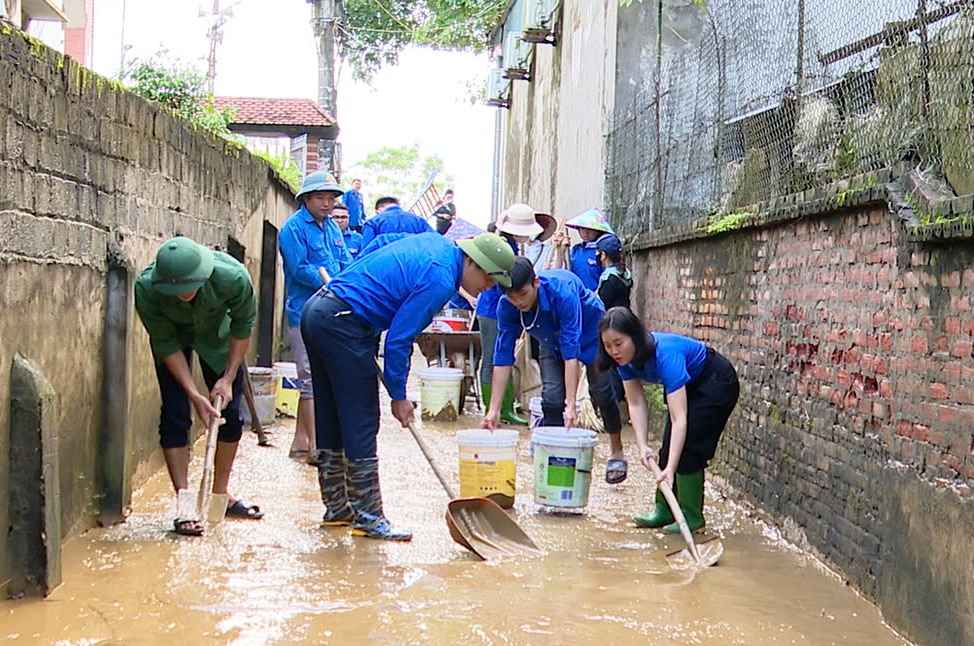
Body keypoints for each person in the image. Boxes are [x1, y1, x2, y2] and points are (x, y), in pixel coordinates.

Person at [301, 232, 516, 541]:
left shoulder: (437, 247)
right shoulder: (442, 278)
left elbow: (378, 246)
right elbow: (400, 339)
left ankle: (338, 509)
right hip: (343, 320)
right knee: (361, 419)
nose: (488, 287)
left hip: (320, 311)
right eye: (488, 277)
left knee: (333, 414)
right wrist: (399, 396)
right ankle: (369, 517)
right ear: (471, 261)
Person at [134, 236, 262, 536]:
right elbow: (165, 342)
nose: (182, 295)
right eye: (174, 291)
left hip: (216, 339)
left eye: (188, 289)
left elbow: (243, 326)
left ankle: (220, 496)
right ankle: (185, 503)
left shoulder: (233, 277)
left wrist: (228, 377)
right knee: (176, 415)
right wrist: (194, 394)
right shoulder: (146, 288)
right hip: (173, 343)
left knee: (229, 415)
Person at [482, 257, 627, 483]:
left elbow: (572, 355)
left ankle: (617, 450)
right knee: (550, 397)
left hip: (590, 333)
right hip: (550, 339)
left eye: (523, 294)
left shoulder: (563, 294)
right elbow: (502, 358)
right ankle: (554, 455)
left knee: (601, 391)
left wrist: (572, 406)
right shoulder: (507, 306)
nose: (518, 301)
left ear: (536, 283)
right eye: (511, 296)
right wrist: (494, 409)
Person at [597, 307, 740, 533]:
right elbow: (635, 402)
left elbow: (679, 419)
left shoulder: (666, 355)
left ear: (634, 336)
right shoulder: (624, 361)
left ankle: (692, 518)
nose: (614, 351)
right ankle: (664, 510)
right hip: (689, 384)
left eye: (618, 343)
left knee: (688, 448)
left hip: (715, 382)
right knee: (667, 449)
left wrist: (671, 468)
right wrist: (643, 445)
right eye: (608, 345)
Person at [278, 171, 351, 462]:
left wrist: (347, 281)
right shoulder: (292, 229)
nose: (327, 203)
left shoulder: (332, 228)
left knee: (319, 376)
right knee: (308, 377)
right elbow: (299, 269)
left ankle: (300, 442)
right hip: (303, 312)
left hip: (331, 310)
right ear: (306, 199)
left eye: (331, 198)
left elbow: (345, 259)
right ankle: (317, 448)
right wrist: (329, 281)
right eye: (320, 197)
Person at [596, 233, 632, 408]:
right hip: (624, 321)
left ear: (603, 255)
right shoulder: (624, 275)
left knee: (612, 365)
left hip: (611, 325)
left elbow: (602, 304)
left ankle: (615, 403)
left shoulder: (608, 279)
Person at [552, 207, 616, 291]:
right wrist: (560, 250)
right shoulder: (576, 251)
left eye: (590, 229)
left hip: (593, 299)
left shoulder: (602, 253)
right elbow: (561, 271)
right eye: (582, 228)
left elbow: (605, 279)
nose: (586, 233)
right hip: (575, 297)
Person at [360, 198, 432, 247]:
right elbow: (435, 241)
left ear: (378, 211)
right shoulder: (419, 221)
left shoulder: (372, 222)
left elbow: (366, 250)